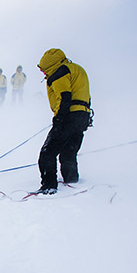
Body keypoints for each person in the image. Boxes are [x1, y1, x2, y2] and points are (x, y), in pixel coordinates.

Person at [36, 48, 92, 194]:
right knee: (68, 152)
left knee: (47, 153)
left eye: (44, 70)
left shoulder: (59, 72)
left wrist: (59, 118)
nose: (44, 74)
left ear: (50, 65)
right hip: (82, 116)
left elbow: (64, 96)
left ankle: (49, 187)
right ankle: (71, 179)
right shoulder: (77, 70)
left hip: (68, 116)